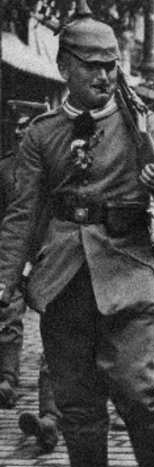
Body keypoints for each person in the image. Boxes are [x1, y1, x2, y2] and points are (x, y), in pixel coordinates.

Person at [0, 6, 154, 467]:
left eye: (111, 65)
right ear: (65, 67)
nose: (104, 76)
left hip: (127, 271)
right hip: (63, 277)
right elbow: (24, 214)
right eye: (91, 65)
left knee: (138, 390)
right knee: (78, 402)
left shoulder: (143, 125)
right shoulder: (42, 134)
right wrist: (4, 279)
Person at [0, 101, 46, 408]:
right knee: (7, 315)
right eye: (17, 126)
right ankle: (7, 379)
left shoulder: (53, 166)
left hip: (46, 251)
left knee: (56, 318)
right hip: (11, 252)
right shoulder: (3, 167)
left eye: (26, 125)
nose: (20, 131)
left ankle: (54, 396)